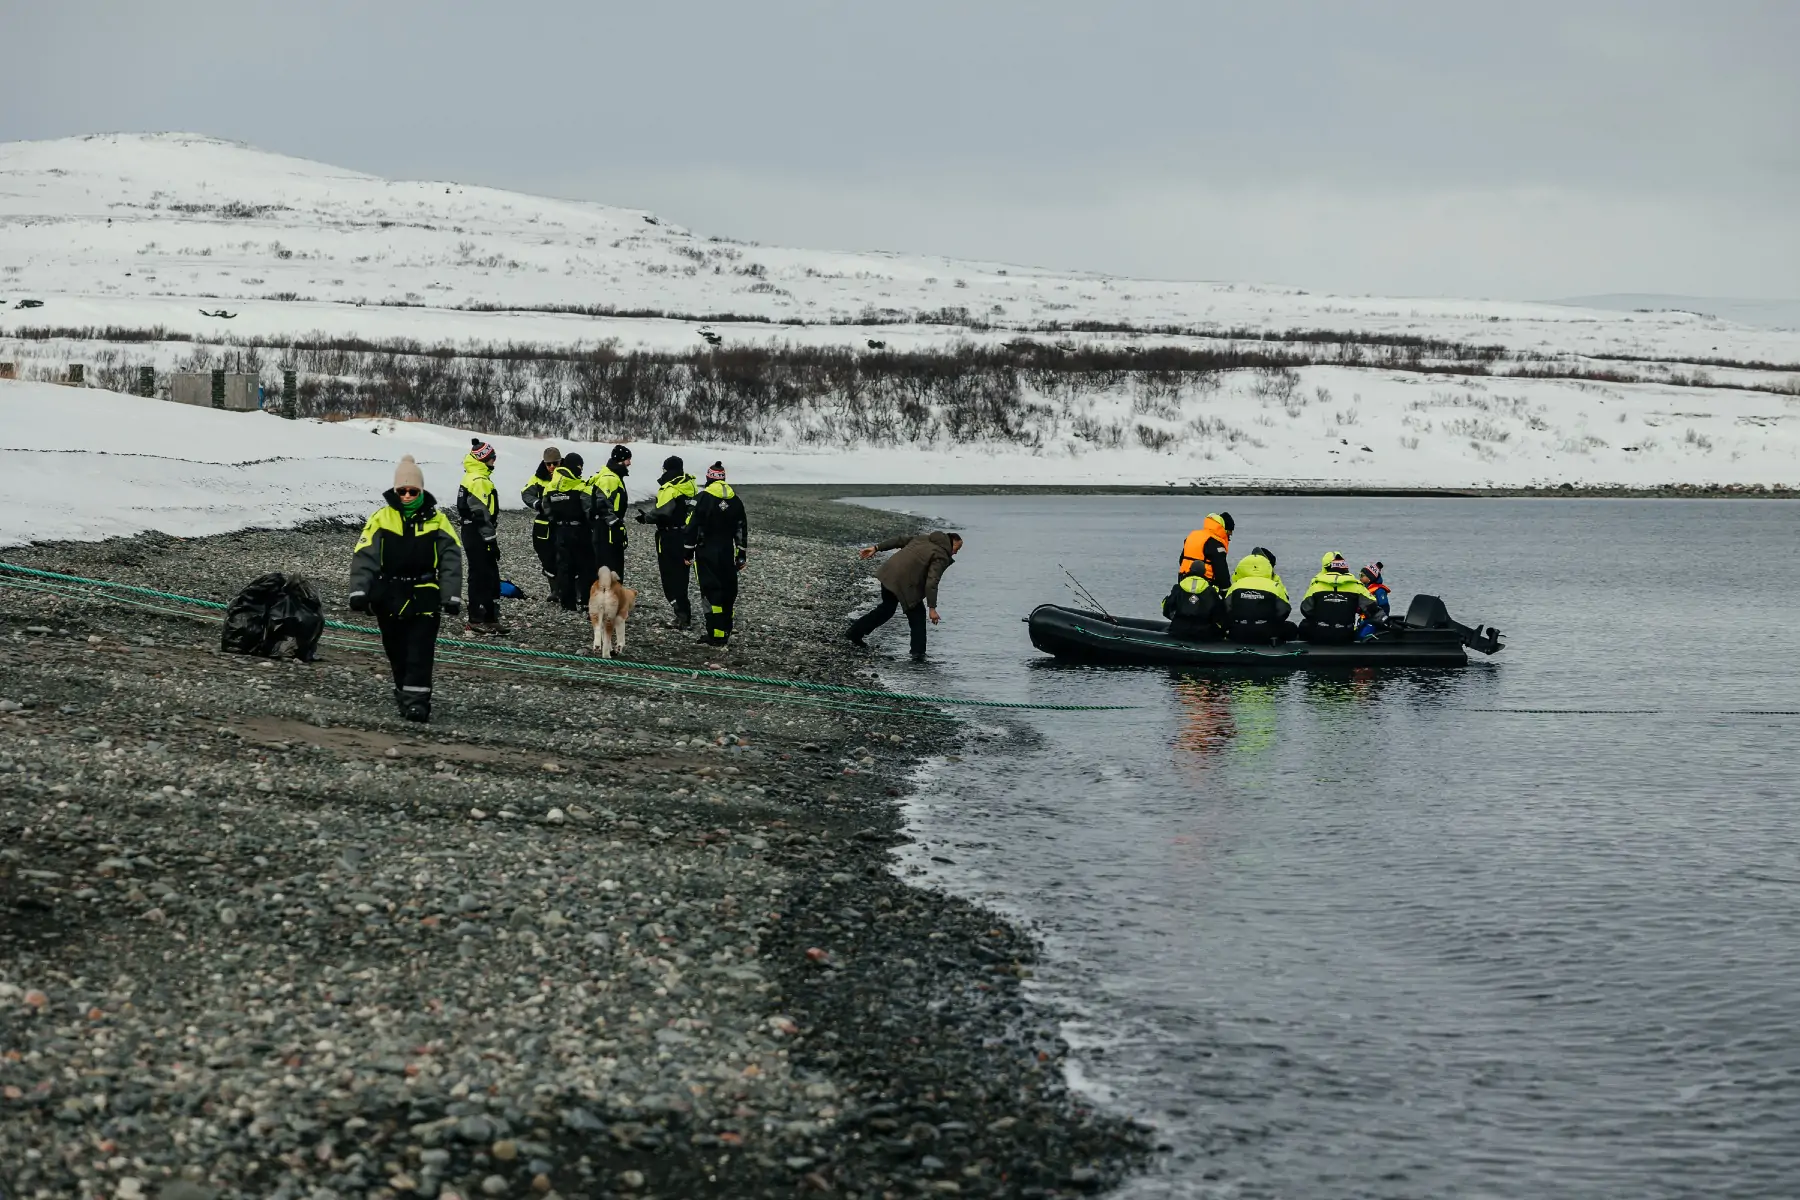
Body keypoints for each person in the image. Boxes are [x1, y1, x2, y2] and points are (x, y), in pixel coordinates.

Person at [348, 455, 462, 722]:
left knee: (420, 650)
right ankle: (404, 691)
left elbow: (451, 559)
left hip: (424, 593)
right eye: (403, 491)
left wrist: (451, 594)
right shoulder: (380, 519)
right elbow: (365, 555)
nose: (408, 495)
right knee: (396, 649)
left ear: (421, 490)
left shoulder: (439, 521)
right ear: (396, 490)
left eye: (413, 491)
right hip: (389, 594)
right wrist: (359, 591)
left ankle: (417, 702)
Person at [847, 530, 962, 661]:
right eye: (956, 548)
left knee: (887, 608)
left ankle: (854, 633)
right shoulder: (941, 555)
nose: (955, 553)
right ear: (949, 542)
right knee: (917, 616)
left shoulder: (923, 538)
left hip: (888, 572)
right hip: (904, 582)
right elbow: (932, 581)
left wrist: (876, 548)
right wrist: (932, 608)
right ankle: (918, 656)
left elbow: (899, 540)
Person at [685, 461, 748, 647]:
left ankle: (715, 633)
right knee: (728, 589)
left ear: (708, 478)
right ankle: (726, 630)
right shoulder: (735, 500)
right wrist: (741, 554)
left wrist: (687, 552)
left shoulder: (702, 498)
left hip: (706, 551)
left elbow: (692, 526)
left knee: (710, 590)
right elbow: (741, 529)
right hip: (726, 551)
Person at [638, 454, 698, 628]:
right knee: (682, 575)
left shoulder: (669, 488)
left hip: (669, 536)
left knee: (669, 576)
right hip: (686, 536)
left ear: (667, 470)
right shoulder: (690, 485)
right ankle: (684, 612)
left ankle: (681, 614)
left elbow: (662, 512)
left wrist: (646, 518)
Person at [455, 438, 503, 633]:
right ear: (484, 459)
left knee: (486, 573)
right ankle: (477, 618)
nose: (494, 462)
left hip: (472, 531)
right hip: (477, 532)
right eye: (492, 458)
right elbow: (481, 516)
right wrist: (491, 541)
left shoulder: (471, 476)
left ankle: (489, 617)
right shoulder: (479, 480)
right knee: (482, 574)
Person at [542, 451, 597, 611]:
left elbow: (547, 509)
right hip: (580, 530)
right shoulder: (581, 486)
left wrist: (557, 521)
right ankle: (586, 601)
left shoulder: (551, 487)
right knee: (586, 566)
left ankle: (567, 603)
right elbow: (589, 510)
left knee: (564, 567)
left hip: (560, 530)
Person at [1299, 552, 1383, 643]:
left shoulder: (1316, 585)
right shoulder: (1356, 586)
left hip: (1319, 634)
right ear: (1346, 569)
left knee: (1304, 625)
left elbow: (1305, 609)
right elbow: (1373, 609)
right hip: (1345, 635)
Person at [1223, 546, 1295, 643]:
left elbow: (1226, 608)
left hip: (1238, 632)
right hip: (1266, 633)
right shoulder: (1274, 586)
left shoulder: (1236, 586)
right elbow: (1284, 610)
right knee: (1292, 628)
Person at [520, 446, 562, 596]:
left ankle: (571, 589)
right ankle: (554, 590)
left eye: (555, 463)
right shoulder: (538, 478)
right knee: (547, 556)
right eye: (548, 464)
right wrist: (537, 504)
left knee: (567, 555)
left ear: (560, 462)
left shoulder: (568, 475)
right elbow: (526, 493)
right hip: (544, 523)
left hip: (564, 523)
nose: (551, 467)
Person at [588, 444, 632, 579]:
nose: (629, 463)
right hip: (607, 529)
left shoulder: (613, 475)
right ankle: (610, 595)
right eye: (628, 460)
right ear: (620, 460)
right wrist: (615, 523)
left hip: (607, 527)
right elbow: (602, 503)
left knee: (608, 563)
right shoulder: (610, 478)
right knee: (610, 564)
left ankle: (609, 594)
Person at [1178, 511, 1234, 589]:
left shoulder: (1192, 536)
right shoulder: (1215, 543)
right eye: (1230, 532)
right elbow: (1221, 571)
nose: (1230, 535)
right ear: (1224, 529)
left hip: (1184, 582)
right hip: (1205, 585)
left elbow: (1181, 560)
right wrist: (1227, 591)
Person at [1162, 572, 1225, 641]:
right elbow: (1219, 614)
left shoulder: (1178, 588)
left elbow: (1167, 608)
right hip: (1203, 632)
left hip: (1179, 630)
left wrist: (1175, 619)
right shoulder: (1211, 591)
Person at [1358, 562, 1391, 641]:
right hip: (1364, 619)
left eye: (1362, 576)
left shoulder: (1379, 591)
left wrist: (1381, 620)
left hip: (1375, 621)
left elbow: (1385, 607)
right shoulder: (1364, 589)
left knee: (1363, 636)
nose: (1360, 578)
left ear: (1370, 577)